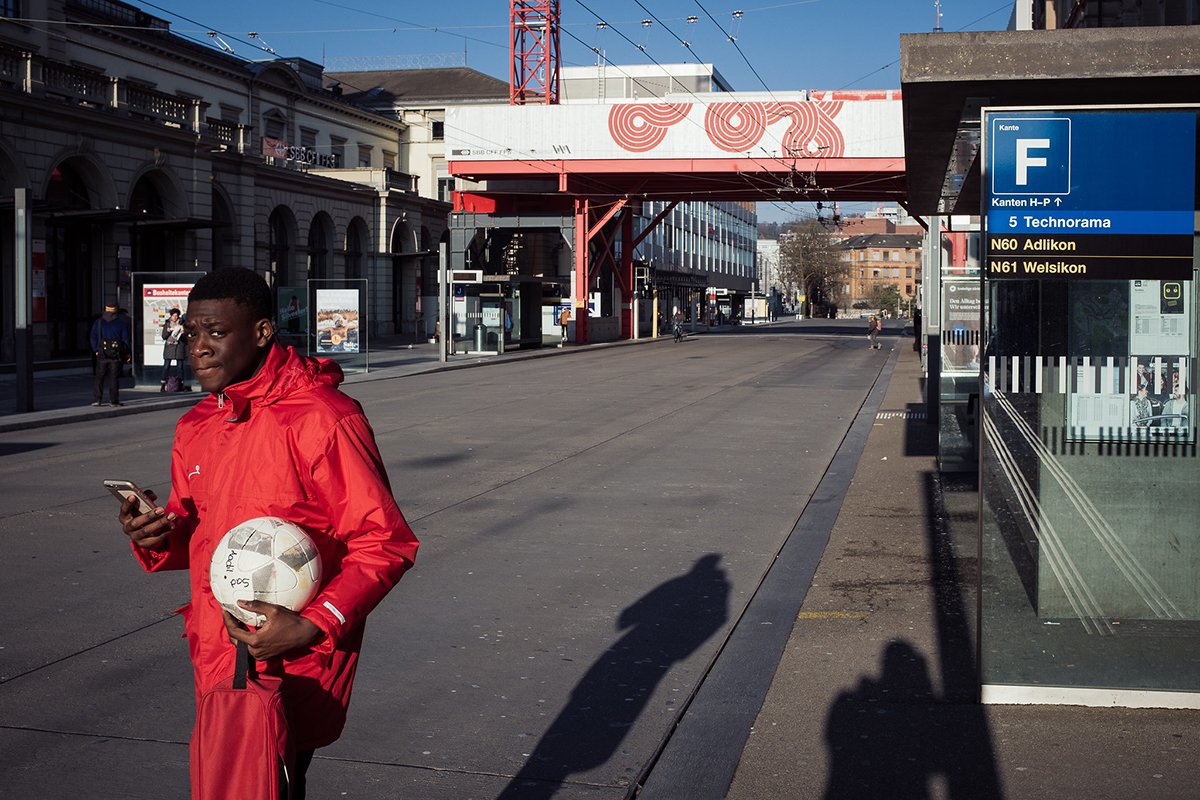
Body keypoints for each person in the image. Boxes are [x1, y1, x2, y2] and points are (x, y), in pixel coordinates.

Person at [117, 267, 418, 799]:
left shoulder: (323, 418)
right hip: (217, 647)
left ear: (261, 332)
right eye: (192, 333)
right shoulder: (196, 426)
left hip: (295, 652)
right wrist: (155, 534)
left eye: (215, 332)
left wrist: (314, 625)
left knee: (274, 782)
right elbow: (200, 534)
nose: (198, 349)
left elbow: (385, 541)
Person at [89, 302, 131, 407]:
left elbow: (93, 337)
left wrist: (96, 350)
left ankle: (97, 400)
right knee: (114, 378)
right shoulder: (121, 323)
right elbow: (126, 340)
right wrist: (126, 352)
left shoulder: (98, 322)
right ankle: (113, 401)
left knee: (99, 377)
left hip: (102, 353)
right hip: (116, 354)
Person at [159, 307, 188, 391]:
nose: (175, 317)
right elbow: (164, 336)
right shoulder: (167, 324)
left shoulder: (182, 324)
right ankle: (163, 385)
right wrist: (168, 332)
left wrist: (182, 334)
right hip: (169, 347)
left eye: (177, 316)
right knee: (166, 366)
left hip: (179, 347)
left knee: (180, 367)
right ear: (171, 316)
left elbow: (186, 339)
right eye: (173, 316)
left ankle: (180, 385)